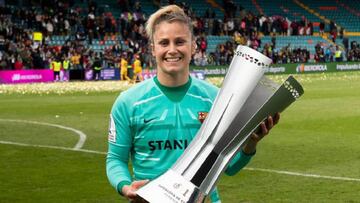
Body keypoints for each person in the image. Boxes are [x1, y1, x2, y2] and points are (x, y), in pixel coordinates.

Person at [106, 5, 280, 203]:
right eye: (164, 43)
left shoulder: (216, 99)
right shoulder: (128, 102)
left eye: (180, 41)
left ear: (193, 46)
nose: (172, 50)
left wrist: (251, 143)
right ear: (153, 49)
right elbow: (115, 160)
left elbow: (229, 167)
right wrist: (125, 186)